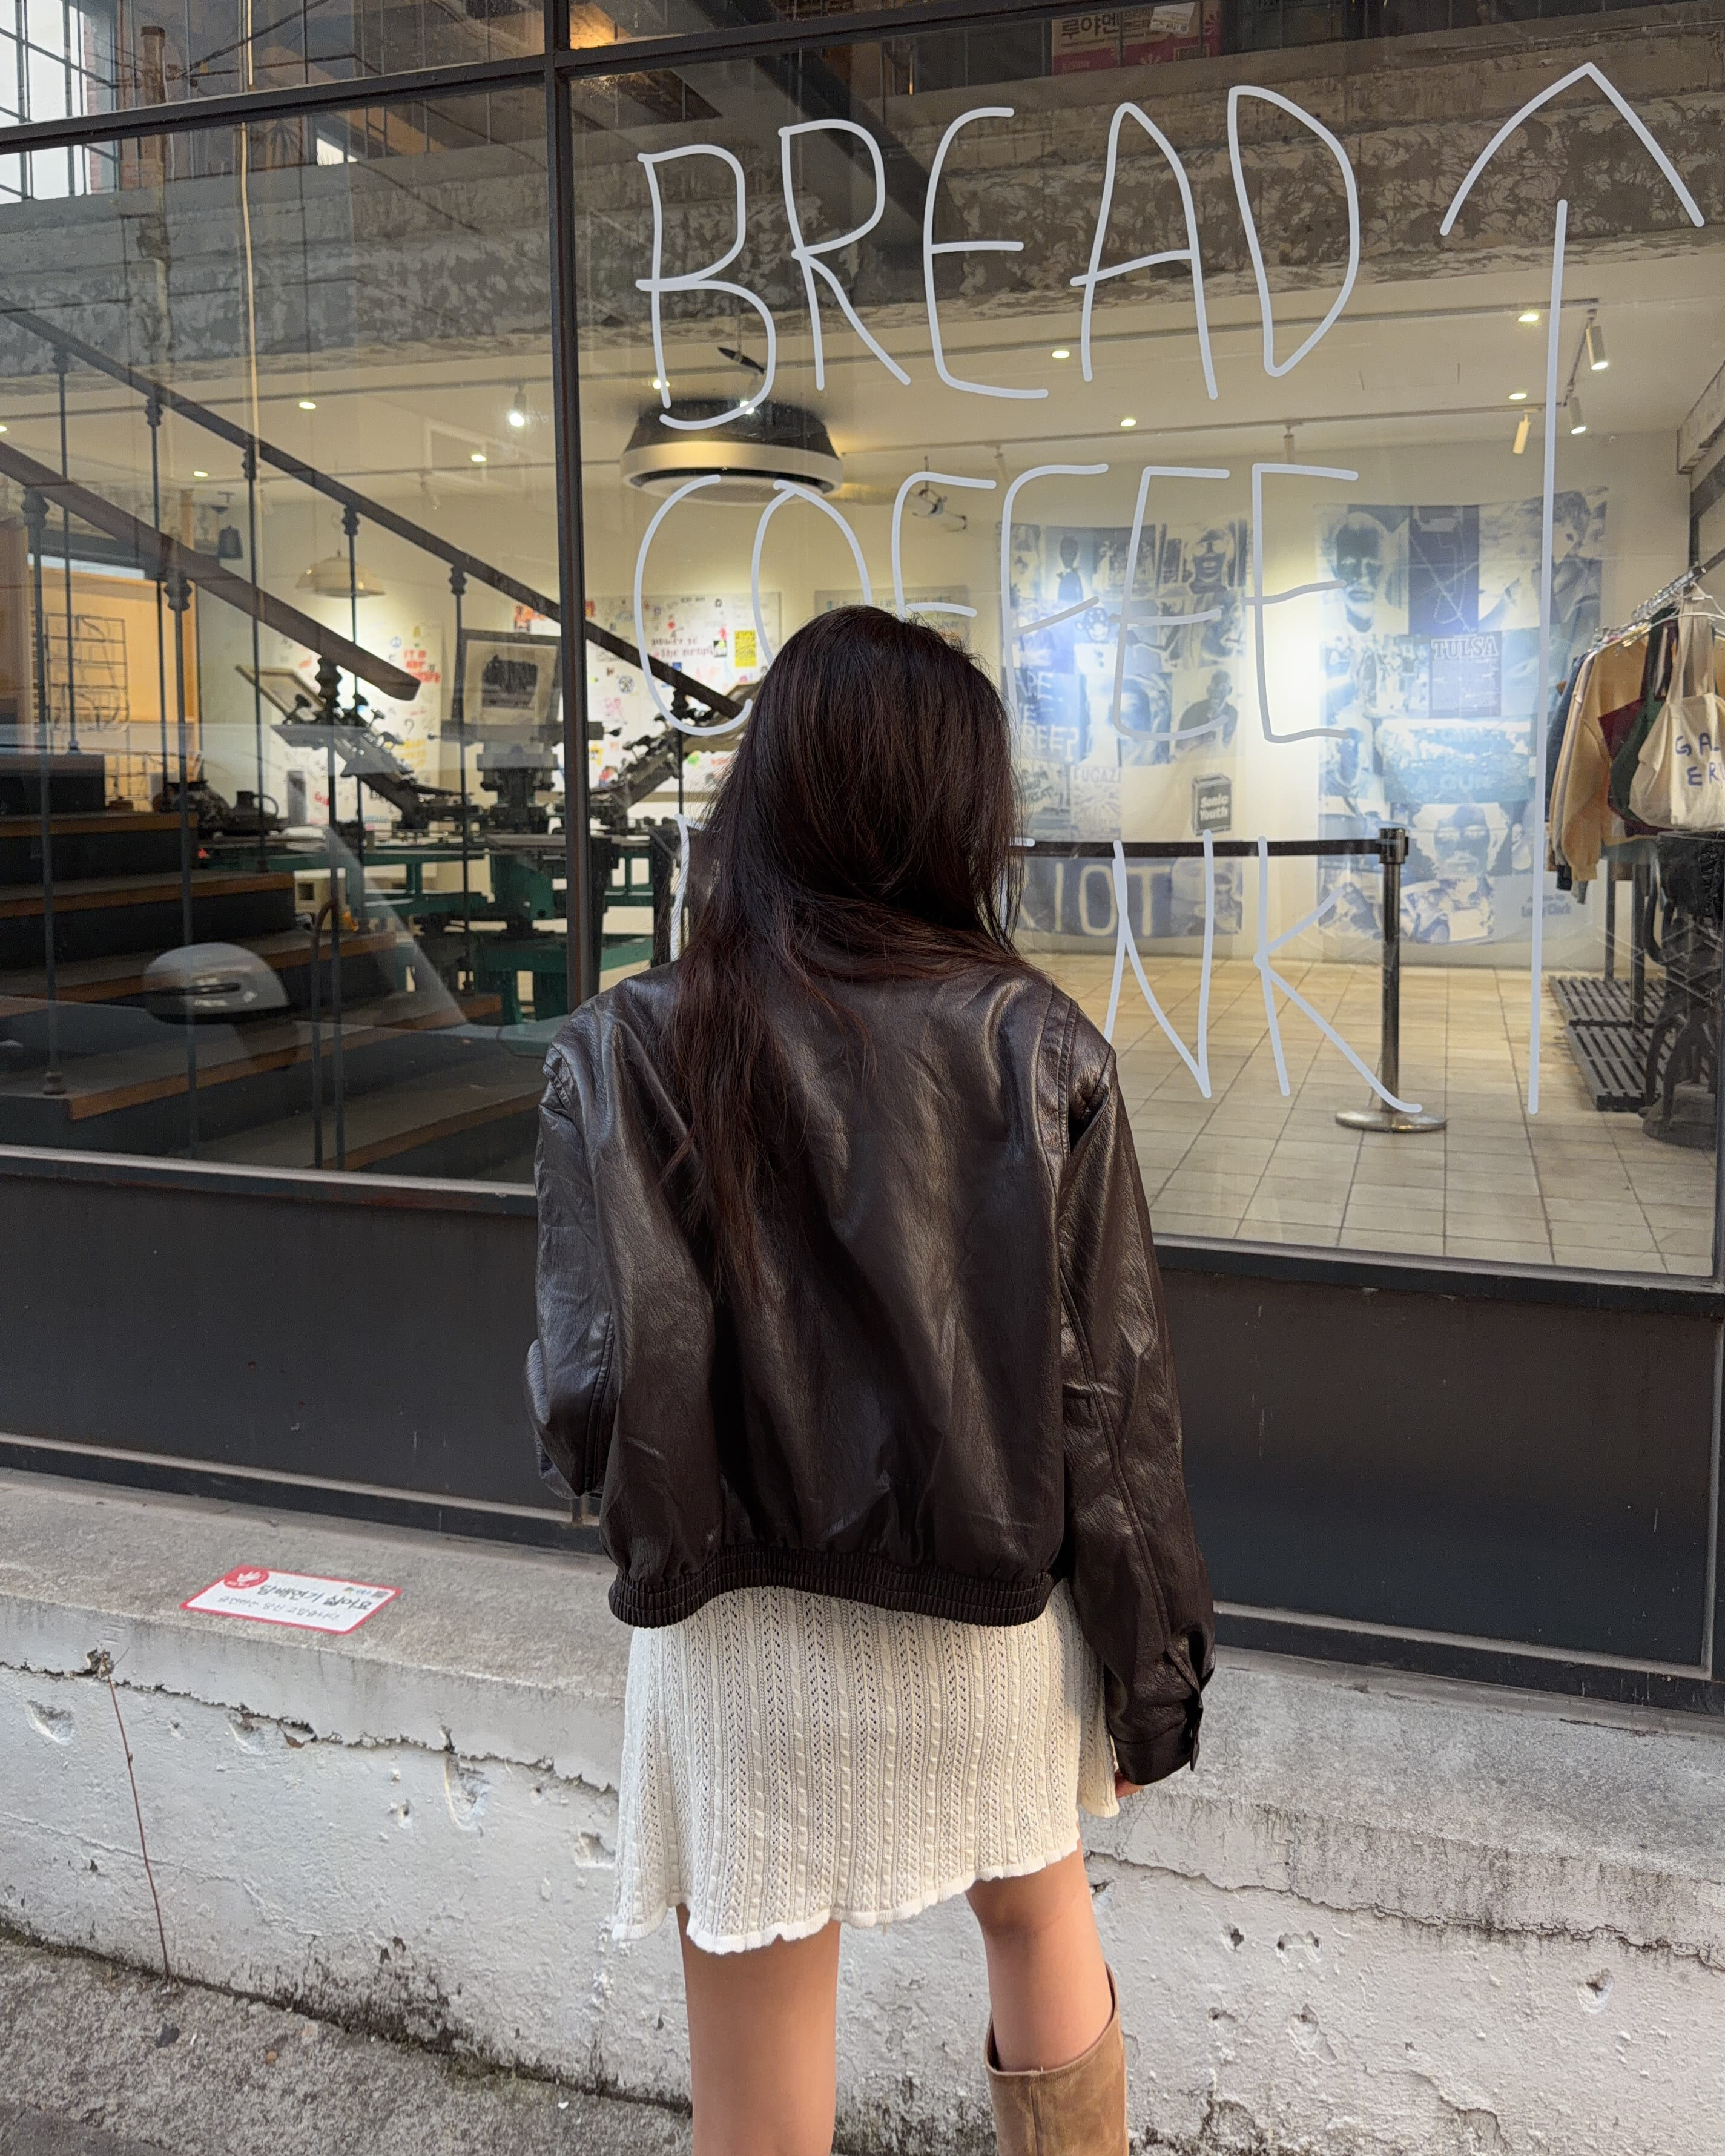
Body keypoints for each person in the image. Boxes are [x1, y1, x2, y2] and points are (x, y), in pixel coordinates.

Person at [527, 605, 1213, 2156]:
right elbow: (1111, 1413)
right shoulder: (1041, 1046)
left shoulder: (619, 1047)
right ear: (958, 815)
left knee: (757, 2063)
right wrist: (1152, 1674)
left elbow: (588, 1395)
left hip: (736, 1634)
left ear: (764, 791)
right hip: (985, 1621)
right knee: (1039, 1915)